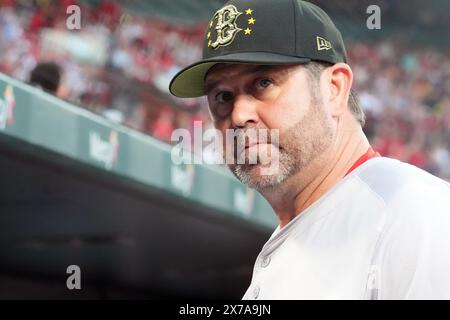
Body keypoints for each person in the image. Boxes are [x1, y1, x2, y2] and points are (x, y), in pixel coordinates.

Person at [169, 0, 450, 299]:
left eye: (263, 82)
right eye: (222, 96)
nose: (238, 115)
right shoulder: (299, 233)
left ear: (333, 90)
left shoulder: (416, 215)